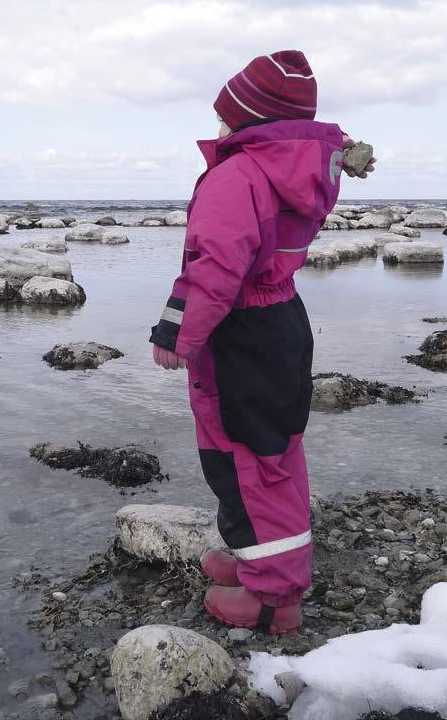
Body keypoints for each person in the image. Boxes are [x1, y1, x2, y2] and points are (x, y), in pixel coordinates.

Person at [148, 50, 375, 633]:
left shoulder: (239, 175)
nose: (217, 128)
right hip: (281, 322)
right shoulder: (296, 170)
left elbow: (215, 266)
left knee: (246, 457)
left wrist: (178, 333)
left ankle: (275, 598)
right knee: (273, 449)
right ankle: (260, 558)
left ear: (250, 122)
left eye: (224, 116)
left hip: (241, 333)